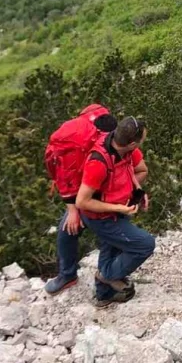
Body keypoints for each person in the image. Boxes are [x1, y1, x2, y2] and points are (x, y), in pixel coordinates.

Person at [76, 116, 154, 307]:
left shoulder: (123, 148)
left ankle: (104, 295)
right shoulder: (98, 162)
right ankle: (107, 276)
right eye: (142, 140)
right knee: (145, 244)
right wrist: (117, 208)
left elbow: (129, 170)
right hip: (102, 217)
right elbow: (82, 201)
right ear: (132, 143)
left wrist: (137, 190)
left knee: (110, 248)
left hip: (115, 210)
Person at [44, 107, 118, 295]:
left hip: (99, 185)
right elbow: (64, 178)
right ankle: (68, 275)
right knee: (68, 228)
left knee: (110, 232)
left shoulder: (101, 126)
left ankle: (107, 279)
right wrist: (73, 211)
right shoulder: (72, 147)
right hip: (82, 189)